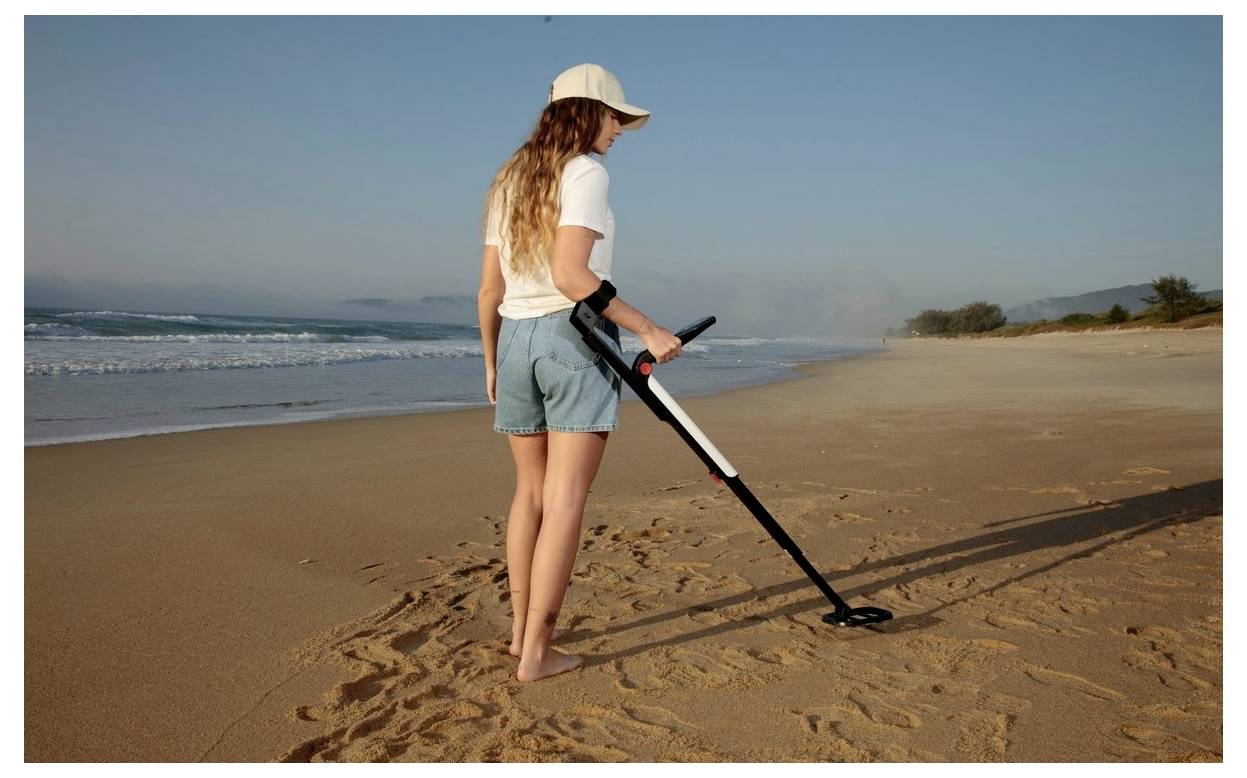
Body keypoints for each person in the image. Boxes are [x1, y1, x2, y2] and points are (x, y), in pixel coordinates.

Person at [477, 63, 682, 682]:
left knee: (530, 496)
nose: (619, 128)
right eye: (614, 115)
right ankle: (539, 655)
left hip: (515, 338)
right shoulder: (586, 171)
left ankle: (520, 638)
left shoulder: (509, 178)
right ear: (587, 111)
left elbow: (489, 289)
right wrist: (647, 327)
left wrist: (492, 362)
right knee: (565, 500)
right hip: (573, 337)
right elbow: (572, 275)